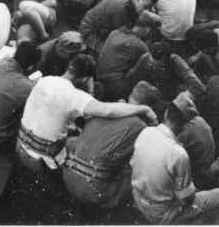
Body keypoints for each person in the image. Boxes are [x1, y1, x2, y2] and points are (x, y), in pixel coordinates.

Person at [17, 54, 156, 173]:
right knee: (85, 147)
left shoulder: (44, 80)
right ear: (85, 79)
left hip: (20, 145)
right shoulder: (74, 96)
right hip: (43, 161)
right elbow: (107, 111)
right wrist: (143, 108)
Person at [130, 99, 219, 224]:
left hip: (139, 202)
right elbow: (186, 200)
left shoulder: (145, 132)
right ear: (186, 125)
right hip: (163, 214)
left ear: (166, 113)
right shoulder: (179, 154)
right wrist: (193, 189)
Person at [61, 80, 162, 209]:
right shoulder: (140, 126)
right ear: (150, 108)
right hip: (95, 190)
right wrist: (153, 125)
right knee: (143, 172)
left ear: (130, 96)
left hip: (68, 177)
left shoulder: (104, 108)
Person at [96, 6, 161, 102]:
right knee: (146, 62)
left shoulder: (114, 33)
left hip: (99, 80)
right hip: (117, 87)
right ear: (146, 29)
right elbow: (150, 64)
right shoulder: (139, 45)